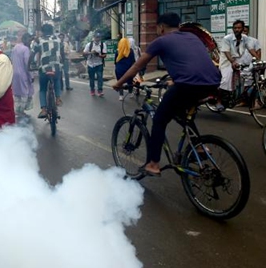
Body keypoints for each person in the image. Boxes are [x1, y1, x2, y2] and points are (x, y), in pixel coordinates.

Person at [113, 12, 220, 177]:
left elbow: (136, 67)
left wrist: (119, 83)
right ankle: (199, 147)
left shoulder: (161, 41)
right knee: (183, 112)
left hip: (188, 85)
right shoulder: (192, 37)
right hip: (212, 83)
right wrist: (174, 80)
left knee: (159, 120)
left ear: (161, 27)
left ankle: (153, 164)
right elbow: (191, 62)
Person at [35, 23, 63, 119]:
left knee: (43, 89)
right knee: (57, 80)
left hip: (44, 69)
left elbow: (33, 53)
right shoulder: (58, 39)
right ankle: (58, 98)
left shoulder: (39, 40)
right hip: (56, 67)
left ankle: (43, 110)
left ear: (42, 31)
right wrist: (61, 63)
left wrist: (29, 66)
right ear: (52, 31)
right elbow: (62, 53)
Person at [11, 33, 35, 117]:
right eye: (29, 40)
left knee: (17, 93)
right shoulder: (26, 49)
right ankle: (21, 111)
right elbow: (27, 63)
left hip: (14, 73)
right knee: (25, 93)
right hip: (23, 74)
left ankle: (17, 110)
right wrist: (31, 76)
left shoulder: (15, 48)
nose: (30, 42)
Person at [83, 32, 107, 96]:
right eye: (96, 37)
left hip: (99, 63)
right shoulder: (89, 44)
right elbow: (84, 53)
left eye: (99, 37)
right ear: (94, 37)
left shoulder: (103, 45)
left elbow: (104, 55)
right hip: (90, 64)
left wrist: (98, 55)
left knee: (100, 78)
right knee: (92, 78)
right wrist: (90, 53)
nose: (97, 39)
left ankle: (100, 91)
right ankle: (92, 90)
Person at [114, 36, 137, 101]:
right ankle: (130, 93)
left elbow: (115, 61)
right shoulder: (130, 51)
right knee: (130, 81)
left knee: (120, 82)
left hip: (119, 70)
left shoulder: (118, 51)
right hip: (128, 69)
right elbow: (133, 61)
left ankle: (121, 96)